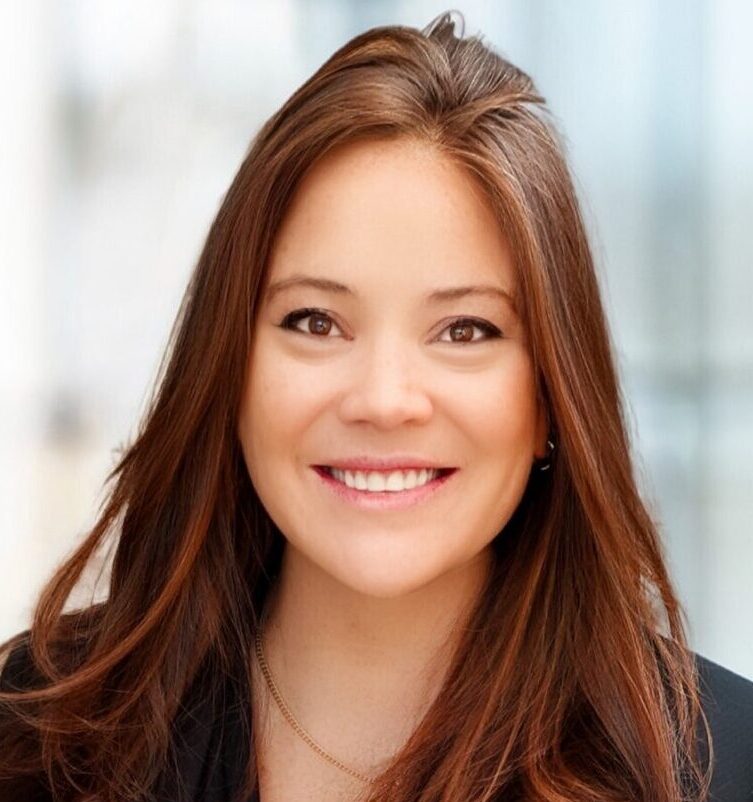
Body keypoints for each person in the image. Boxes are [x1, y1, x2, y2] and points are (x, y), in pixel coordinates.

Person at [1, 9, 752, 802]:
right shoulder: (38, 737)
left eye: (465, 330)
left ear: (549, 398)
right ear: (230, 366)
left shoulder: (720, 767)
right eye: (315, 322)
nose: (383, 400)